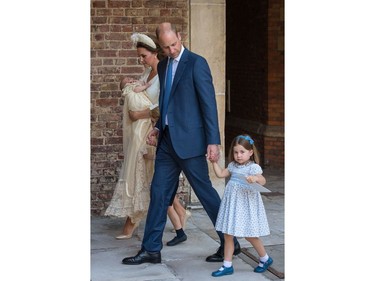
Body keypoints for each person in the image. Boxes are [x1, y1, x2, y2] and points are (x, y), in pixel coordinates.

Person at [121, 22, 241, 266]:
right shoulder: (163, 65)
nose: (171, 50)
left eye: (174, 44)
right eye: (166, 47)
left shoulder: (197, 63)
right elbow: (166, 100)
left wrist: (213, 141)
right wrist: (157, 127)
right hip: (167, 142)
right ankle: (151, 249)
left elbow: (208, 104)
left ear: (179, 36)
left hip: (192, 142)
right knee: (158, 193)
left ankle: (232, 243)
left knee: (206, 193)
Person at [104, 33, 188, 243]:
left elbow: (165, 106)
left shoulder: (163, 74)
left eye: (143, 56)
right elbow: (136, 93)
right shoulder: (147, 73)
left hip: (153, 132)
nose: (140, 60)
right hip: (140, 131)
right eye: (139, 56)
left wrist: (139, 114)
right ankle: (180, 214)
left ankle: (132, 223)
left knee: (143, 176)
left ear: (154, 53)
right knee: (150, 176)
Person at [210, 134, 273, 277]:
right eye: (236, 152)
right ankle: (227, 265)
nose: (238, 155)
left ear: (250, 152)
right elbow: (220, 174)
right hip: (233, 205)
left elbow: (262, 180)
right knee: (228, 234)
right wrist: (214, 162)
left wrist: (255, 178)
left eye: (242, 152)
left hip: (246, 205)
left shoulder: (253, 167)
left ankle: (265, 258)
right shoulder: (232, 165)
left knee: (250, 235)